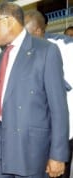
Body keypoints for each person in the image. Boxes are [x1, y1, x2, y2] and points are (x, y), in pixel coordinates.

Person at [0, 2, 69, 178]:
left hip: (29, 150)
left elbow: (59, 108)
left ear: (9, 21)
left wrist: (58, 155)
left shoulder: (45, 52)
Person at [24, 9, 73, 178]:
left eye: (25, 33)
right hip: (35, 133)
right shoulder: (23, 50)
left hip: (62, 132)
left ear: (38, 31)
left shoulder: (65, 46)